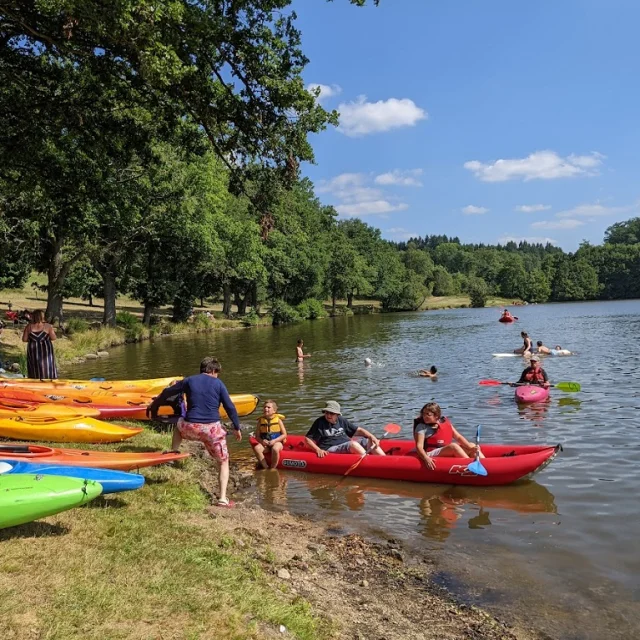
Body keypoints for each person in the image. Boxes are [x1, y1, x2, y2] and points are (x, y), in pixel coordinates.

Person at [146, 356, 242, 507]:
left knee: (178, 425)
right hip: (211, 430)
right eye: (217, 372)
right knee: (223, 461)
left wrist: (154, 406)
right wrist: (237, 427)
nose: (217, 375)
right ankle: (223, 499)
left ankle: (172, 456)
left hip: (191, 428)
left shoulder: (189, 380)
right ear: (212, 370)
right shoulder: (218, 383)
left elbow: (166, 393)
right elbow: (230, 407)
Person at [413, 402, 483, 471]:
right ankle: (471, 468)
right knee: (453, 446)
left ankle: (485, 464)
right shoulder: (421, 427)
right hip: (430, 452)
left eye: (428, 414)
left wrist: (471, 448)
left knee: (472, 445)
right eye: (423, 414)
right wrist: (426, 458)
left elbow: (458, 437)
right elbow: (419, 447)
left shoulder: (444, 422)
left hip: (443, 450)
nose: (425, 416)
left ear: (436, 415)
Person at [304, 400, 386, 457]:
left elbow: (358, 430)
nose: (328, 415)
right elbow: (307, 439)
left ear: (337, 414)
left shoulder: (342, 420)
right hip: (330, 447)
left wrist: (371, 436)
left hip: (346, 443)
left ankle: (386, 461)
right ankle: (370, 463)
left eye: (331, 413)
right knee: (353, 444)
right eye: (326, 412)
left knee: (369, 441)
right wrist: (318, 450)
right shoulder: (319, 422)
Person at [21, 310, 58, 379]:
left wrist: (33, 339)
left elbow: (24, 339)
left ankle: (35, 382)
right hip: (46, 351)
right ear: (42, 317)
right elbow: (54, 338)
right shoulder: (48, 326)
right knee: (47, 366)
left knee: (34, 367)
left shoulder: (29, 327)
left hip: (33, 352)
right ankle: (49, 381)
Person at [252, 399, 287, 470]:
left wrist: (275, 441)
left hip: (277, 442)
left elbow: (284, 435)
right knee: (257, 448)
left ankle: (273, 468)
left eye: (268, 407)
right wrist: (262, 441)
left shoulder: (278, 420)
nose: (266, 408)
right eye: (264, 407)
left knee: (275, 448)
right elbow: (257, 436)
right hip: (266, 444)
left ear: (274, 411)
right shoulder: (260, 421)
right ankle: (265, 467)